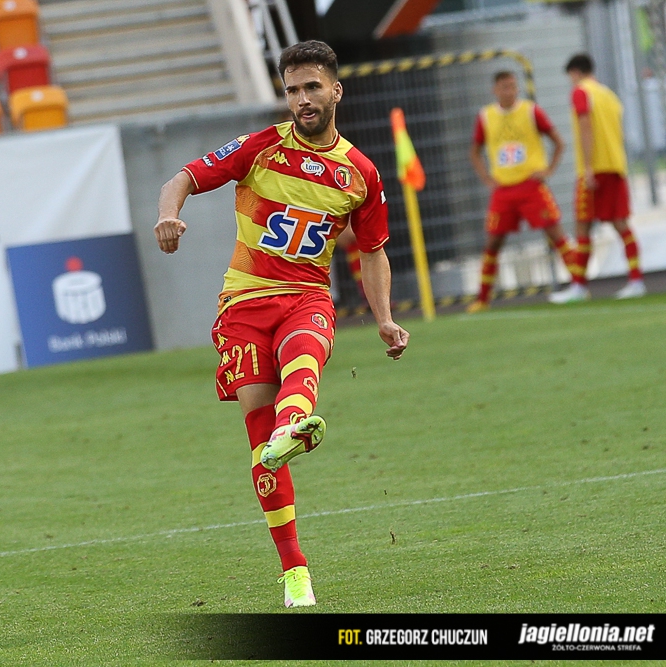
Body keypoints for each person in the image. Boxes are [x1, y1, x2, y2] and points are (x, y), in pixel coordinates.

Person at [154, 40, 409, 608]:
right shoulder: (260, 147)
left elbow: (373, 251)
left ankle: (291, 427)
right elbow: (182, 178)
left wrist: (385, 319)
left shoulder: (360, 173)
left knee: (304, 355)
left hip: (306, 297)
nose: (302, 99)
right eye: (293, 90)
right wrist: (169, 215)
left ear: (336, 90)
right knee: (258, 430)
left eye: (312, 87)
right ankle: (295, 569)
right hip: (244, 304)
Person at [467, 71, 574, 313]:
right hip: (503, 189)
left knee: (556, 233)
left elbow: (558, 141)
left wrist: (548, 169)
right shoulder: (486, 116)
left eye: (513, 86)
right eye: (505, 87)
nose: (510, 91)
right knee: (493, 242)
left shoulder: (531, 111)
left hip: (531, 186)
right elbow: (474, 151)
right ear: (495, 90)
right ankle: (482, 299)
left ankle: (579, 284)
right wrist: (486, 178)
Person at [551, 53, 646, 303]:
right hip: (615, 165)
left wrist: (588, 166)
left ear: (575, 73)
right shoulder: (608, 95)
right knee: (621, 223)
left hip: (594, 168)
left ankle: (579, 287)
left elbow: (585, 126)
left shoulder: (581, 92)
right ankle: (636, 280)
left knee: (582, 226)